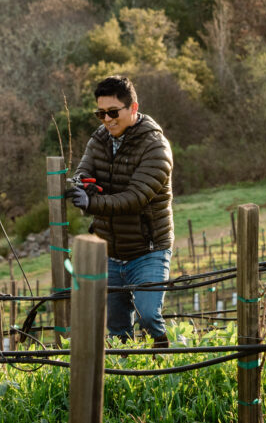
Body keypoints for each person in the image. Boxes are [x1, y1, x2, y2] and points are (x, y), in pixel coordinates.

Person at [68, 75, 174, 348]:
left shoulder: (156, 147)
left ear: (133, 108)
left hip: (147, 250)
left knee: (149, 317)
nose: (107, 119)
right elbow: (84, 169)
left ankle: (165, 361)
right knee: (117, 330)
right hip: (109, 250)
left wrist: (91, 203)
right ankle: (127, 378)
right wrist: (82, 184)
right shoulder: (99, 139)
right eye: (100, 113)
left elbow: (136, 198)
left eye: (113, 112)